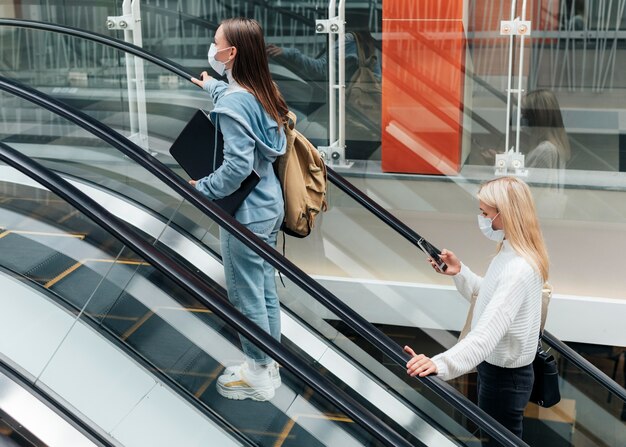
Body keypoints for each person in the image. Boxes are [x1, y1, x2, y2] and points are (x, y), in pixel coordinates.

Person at [404, 176, 549, 444]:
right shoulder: (511, 251)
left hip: (505, 378)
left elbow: (486, 335)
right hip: (496, 371)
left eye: (485, 213)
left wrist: (439, 364)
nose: (481, 219)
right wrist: (460, 273)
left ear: (506, 215)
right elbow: (490, 295)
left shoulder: (518, 268)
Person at [189, 17, 288, 402]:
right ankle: (270, 361)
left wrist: (205, 189)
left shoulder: (235, 102)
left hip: (243, 213)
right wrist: (212, 85)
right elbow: (238, 103)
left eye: (217, 44)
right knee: (263, 289)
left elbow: (236, 167)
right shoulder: (263, 90)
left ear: (231, 53)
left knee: (245, 297)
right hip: (269, 205)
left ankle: (258, 375)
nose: (212, 50)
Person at [266, 10, 381, 159]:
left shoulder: (348, 38)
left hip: (346, 110)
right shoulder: (364, 39)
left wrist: (287, 54)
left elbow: (320, 70)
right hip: (358, 111)